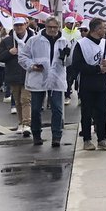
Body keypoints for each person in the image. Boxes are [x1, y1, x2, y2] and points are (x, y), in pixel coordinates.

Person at [20, 16, 70, 148]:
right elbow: (23, 56)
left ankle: (56, 136)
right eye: (50, 27)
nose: (52, 30)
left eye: (55, 27)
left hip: (56, 79)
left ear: (59, 28)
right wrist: (32, 65)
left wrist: (66, 56)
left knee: (57, 109)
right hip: (38, 78)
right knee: (36, 109)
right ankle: (36, 134)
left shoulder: (65, 41)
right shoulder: (34, 40)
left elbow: (69, 63)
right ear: (45, 27)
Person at [72, 17, 106, 151]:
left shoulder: (105, 43)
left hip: (102, 83)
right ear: (96, 29)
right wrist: (96, 69)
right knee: (87, 111)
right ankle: (87, 139)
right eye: (103, 28)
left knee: (102, 111)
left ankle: (102, 138)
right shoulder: (81, 44)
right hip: (87, 83)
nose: (105, 30)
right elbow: (77, 65)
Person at [0, 17, 33, 136]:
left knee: (25, 99)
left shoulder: (32, 39)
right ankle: (21, 122)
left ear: (25, 25)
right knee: (17, 101)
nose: (19, 27)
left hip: (29, 74)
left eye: (21, 25)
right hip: (13, 74)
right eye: (16, 25)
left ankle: (27, 124)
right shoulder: (7, 41)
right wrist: (9, 52)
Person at [61, 15, 81, 104]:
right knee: (68, 79)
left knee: (78, 79)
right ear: (66, 23)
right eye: (71, 23)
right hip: (66, 60)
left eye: (74, 23)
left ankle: (80, 96)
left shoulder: (78, 33)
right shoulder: (62, 32)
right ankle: (67, 94)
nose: (73, 25)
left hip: (77, 60)